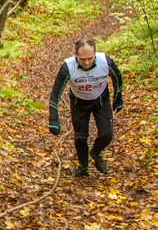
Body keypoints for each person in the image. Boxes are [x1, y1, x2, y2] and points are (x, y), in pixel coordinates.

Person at [47, 38, 124, 177]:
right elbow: (55, 93)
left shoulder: (105, 61)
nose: (87, 62)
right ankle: (83, 165)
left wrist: (118, 98)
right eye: (82, 59)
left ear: (95, 53)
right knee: (81, 137)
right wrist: (53, 119)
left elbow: (117, 77)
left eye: (90, 58)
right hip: (79, 104)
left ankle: (96, 152)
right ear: (75, 53)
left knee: (107, 135)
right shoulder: (68, 67)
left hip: (101, 101)